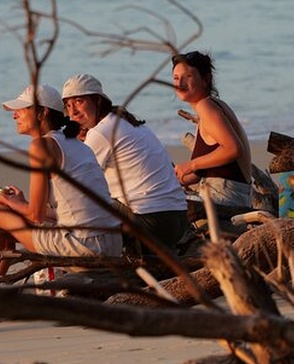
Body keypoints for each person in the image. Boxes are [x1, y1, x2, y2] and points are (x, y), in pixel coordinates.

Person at [0, 84, 122, 279]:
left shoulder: (42, 145)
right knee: (6, 220)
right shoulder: (75, 144)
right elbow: (70, 211)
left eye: (21, 110)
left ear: (42, 113)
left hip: (85, 248)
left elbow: (36, 216)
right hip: (111, 243)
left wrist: (5, 201)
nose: (14, 116)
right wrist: (17, 202)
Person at [61, 74, 188, 255]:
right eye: (68, 105)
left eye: (79, 101)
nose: (72, 111)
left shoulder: (101, 132)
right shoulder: (125, 121)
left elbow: (75, 183)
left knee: (80, 204)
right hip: (177, 220)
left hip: (151, 223)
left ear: (97, 101)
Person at [171, 51, 253, 210]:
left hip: (225, 196)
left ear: (206, 79)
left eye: (187, 77)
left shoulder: (206, 107)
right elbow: (205, 172)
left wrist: (191, 164)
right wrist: (176, 177)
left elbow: (233, 149)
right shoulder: (214, 105)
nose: (180, 83)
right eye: (175, 78)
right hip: (233, 195)